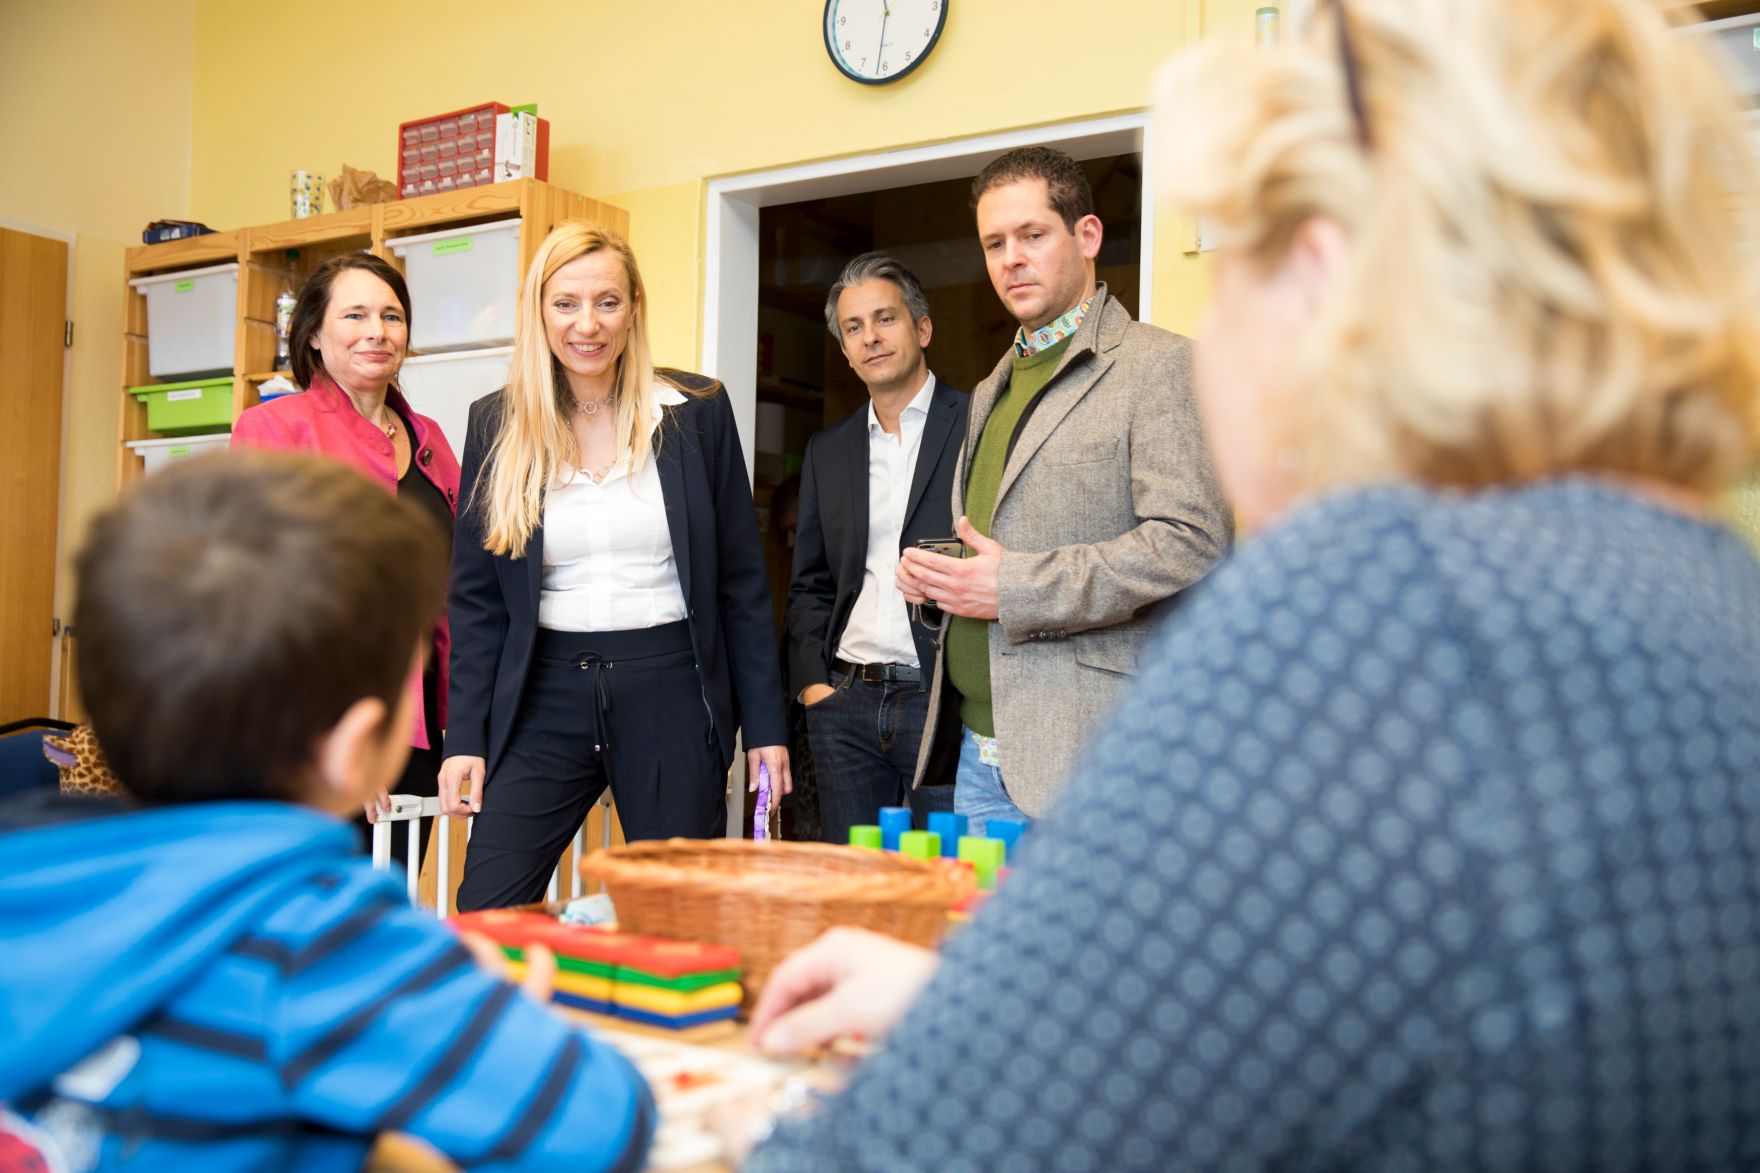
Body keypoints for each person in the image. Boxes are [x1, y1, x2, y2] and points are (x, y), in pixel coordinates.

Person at [743, 0, 1760, 1167]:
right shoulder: (1707, 591)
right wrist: (982, 1006)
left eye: (1233, 276)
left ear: (1324, 286)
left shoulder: (1375, 605)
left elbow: (929, 1145)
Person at [0, 452, 653, 1171]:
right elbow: (604, 1123)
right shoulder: (322, 939)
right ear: (355, 747)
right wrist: (498, 1003)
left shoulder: (23, 875)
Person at [443, 222, 789, 911]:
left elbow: (741, 585)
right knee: (486, 908)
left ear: (634, 307)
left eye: (607, 302)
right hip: (541, 694)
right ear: (538, 311)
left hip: (670, 689)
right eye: (565, 303)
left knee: (677, 916)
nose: (587, 324)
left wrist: (766, 730)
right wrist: (466, 738)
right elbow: (477, 602)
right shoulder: (495, 423)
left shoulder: (697, 413)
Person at [896, 145, 1231, 835]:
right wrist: (946, 576)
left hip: (1092, 756)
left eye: (1032, 235)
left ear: (1087, 236)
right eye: (994, 243)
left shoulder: (1160, 366)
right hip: (978, 754)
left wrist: (1012, 587)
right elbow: (1017, 537)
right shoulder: (990, 386)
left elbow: (1192, 542)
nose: (1011, 259)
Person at [231, 253, 460, 865]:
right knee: (315, 908)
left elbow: (458, 583)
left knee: (389, 898)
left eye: (391, 316)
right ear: (313, 333)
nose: (376, 332)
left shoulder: (431, 438)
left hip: (417, 725)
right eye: (355, 315)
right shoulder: (274, 429)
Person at [786, 253, 967, 844]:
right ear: (845, 350)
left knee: (950, 879)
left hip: (940, 702)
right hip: (845, 704)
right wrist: (814, 687)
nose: (871, 337)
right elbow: (810, 580)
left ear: (923, 328)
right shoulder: (828, 450)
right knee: (855, 881)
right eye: (854, 327)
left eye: (885, 319)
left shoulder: (977, 424)